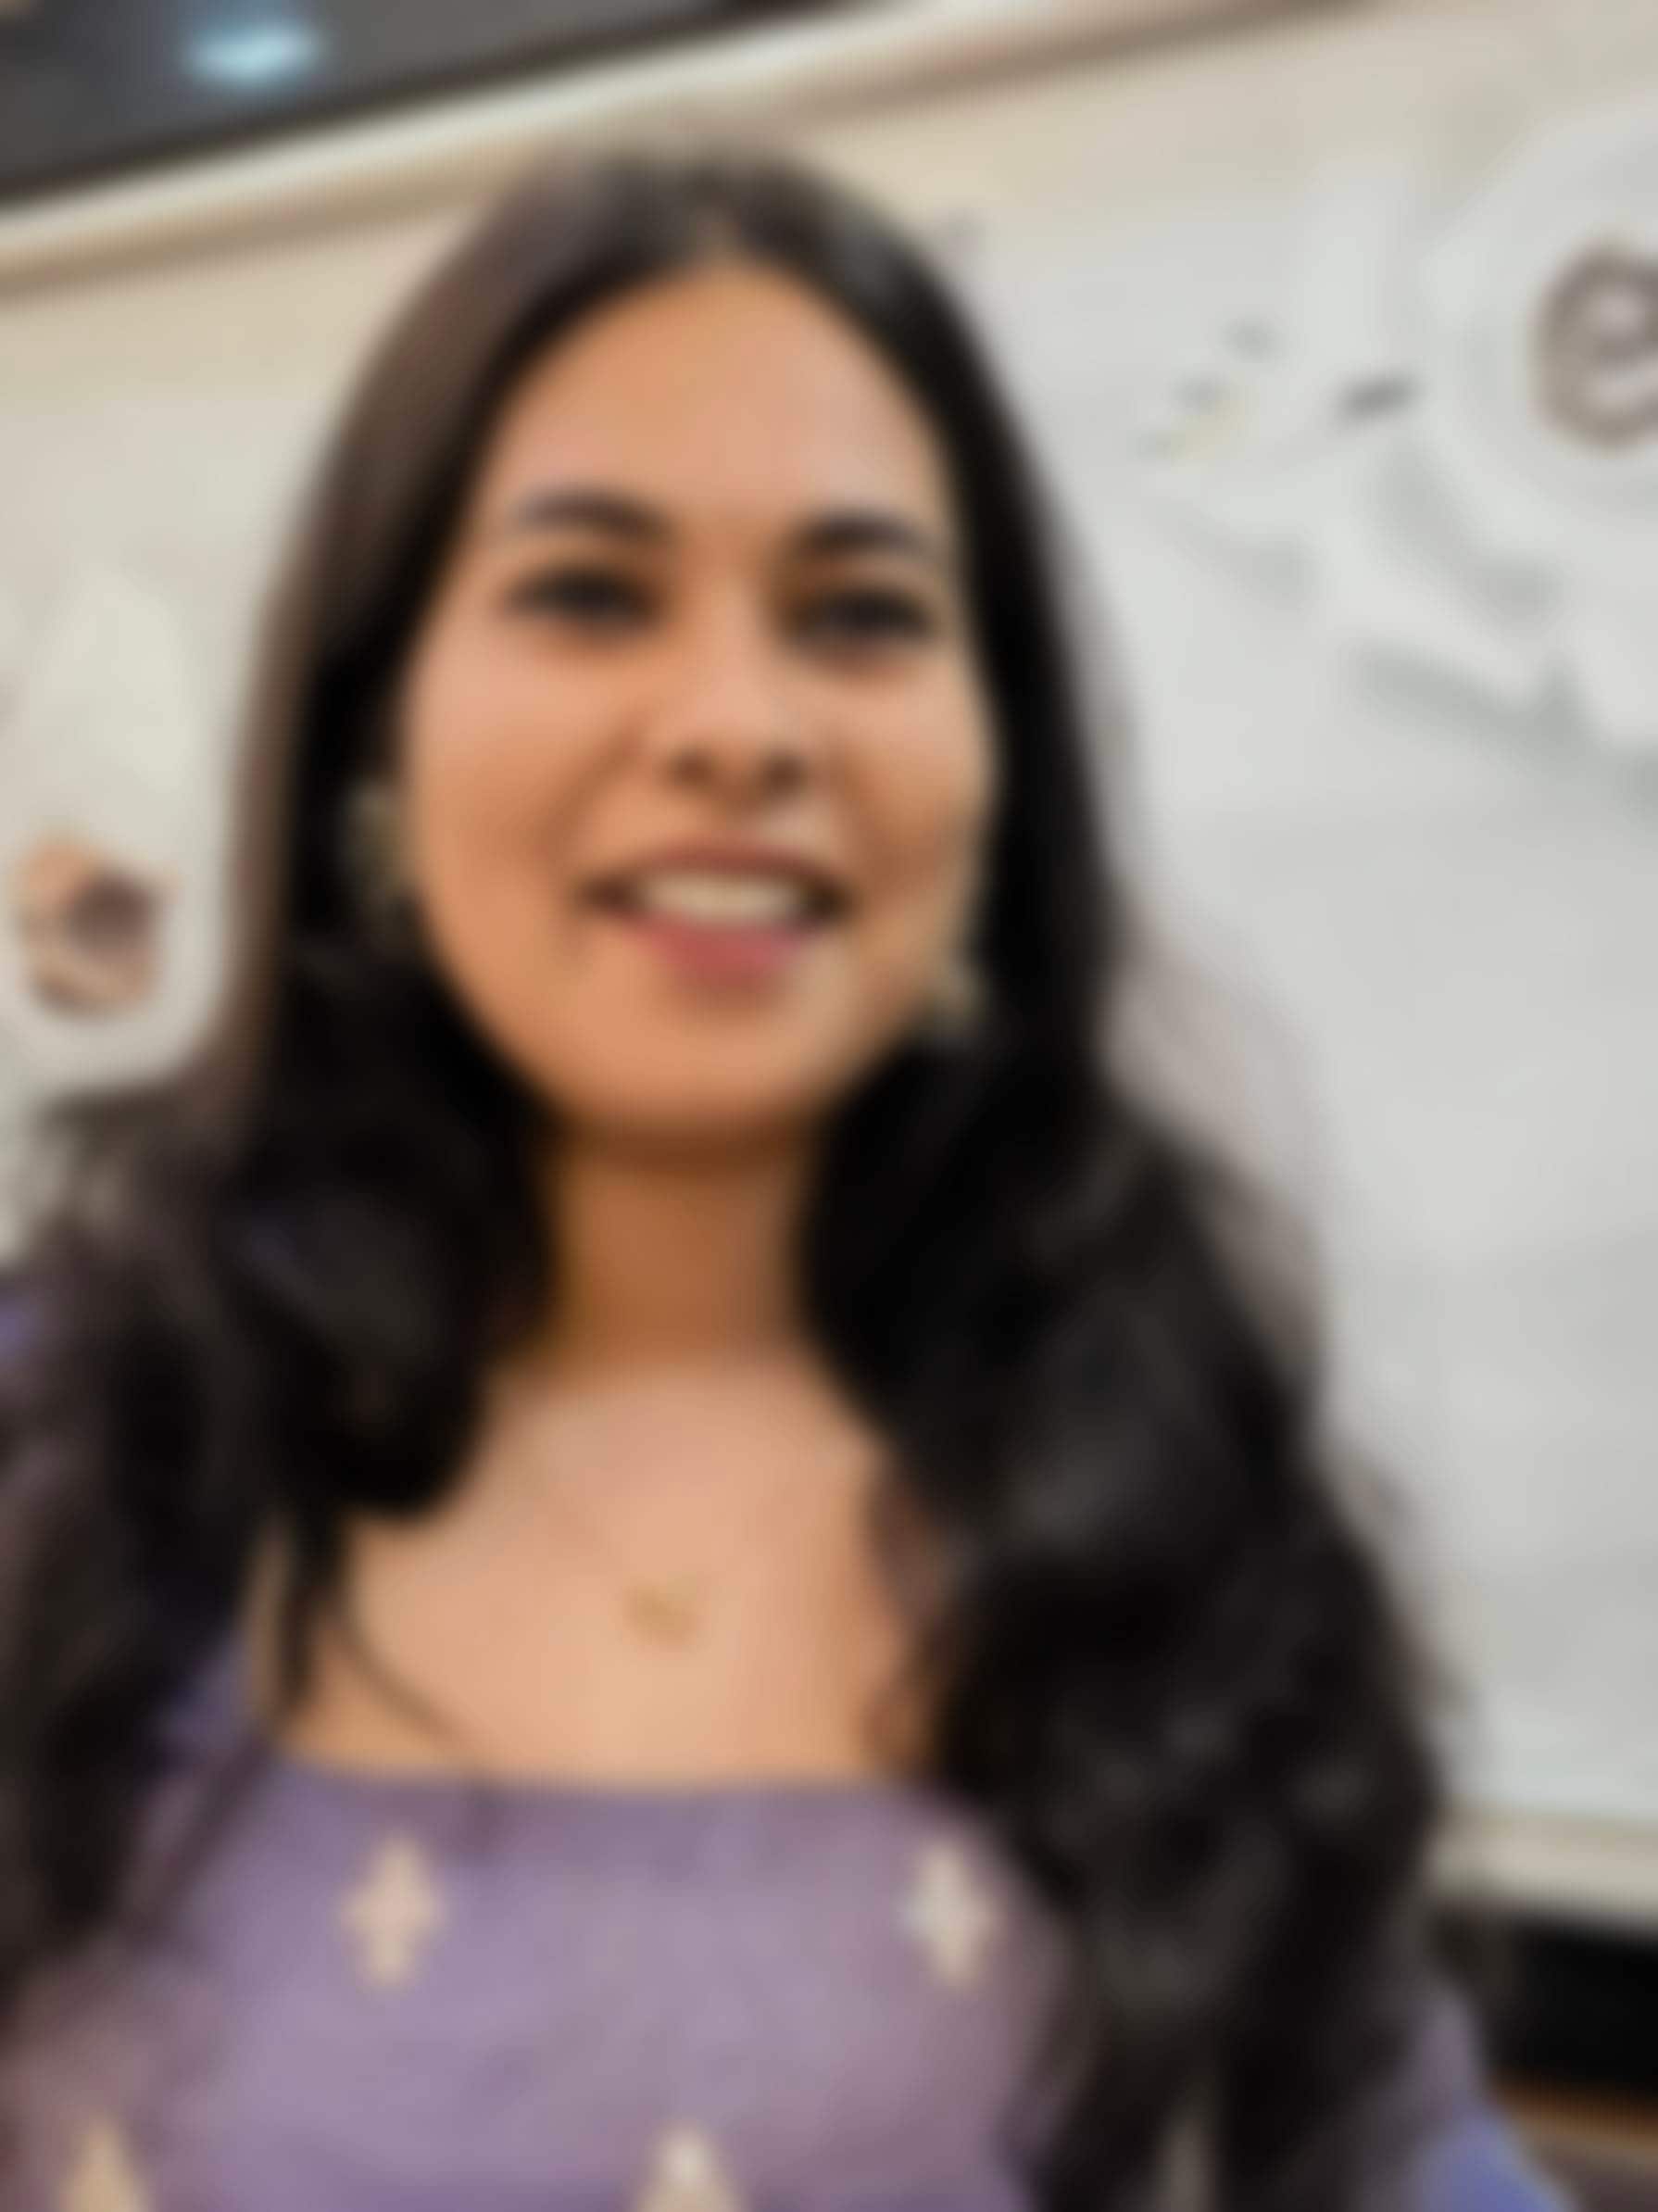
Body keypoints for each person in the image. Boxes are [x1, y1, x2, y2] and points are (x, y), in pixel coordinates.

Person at [0, 148, 1567, 2212]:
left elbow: (1385, 2153)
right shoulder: (85, 1444)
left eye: (857, 616)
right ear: (379, 736)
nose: (737, 726)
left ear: (994, 770)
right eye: (589, 594)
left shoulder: (1164, 1474)